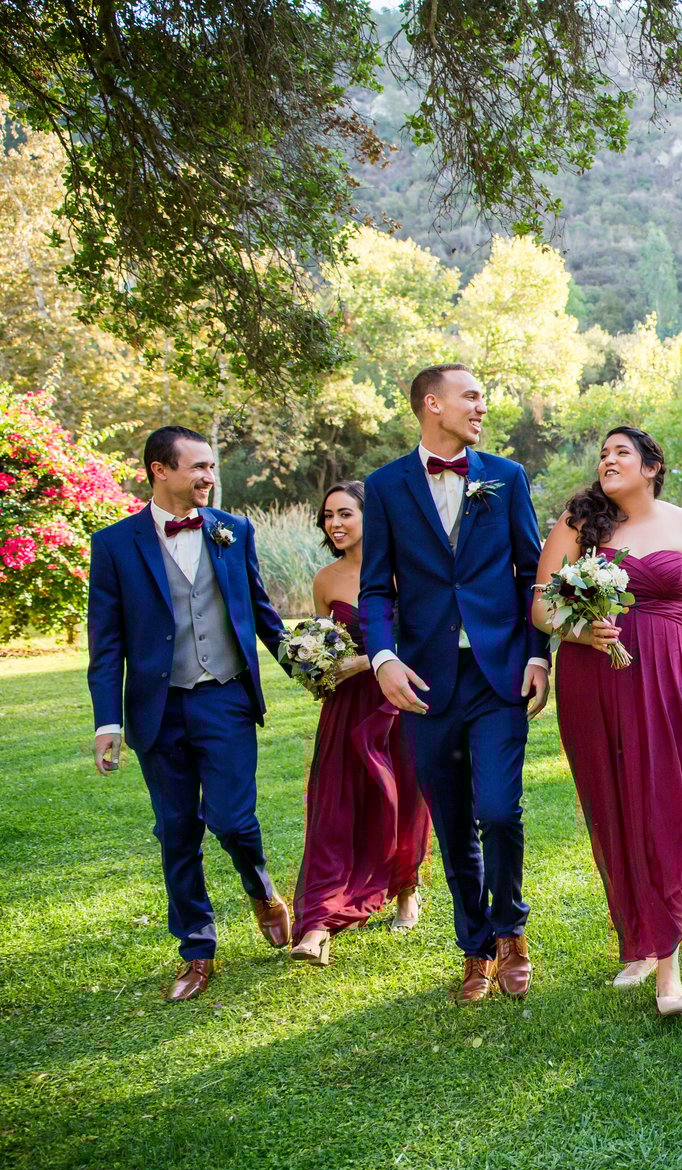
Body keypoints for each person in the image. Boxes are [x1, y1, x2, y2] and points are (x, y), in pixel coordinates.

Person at [361, 364, 550, 1005]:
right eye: (471, 396)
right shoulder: (384, 487)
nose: (481, 407)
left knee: (497, 809)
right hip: (424, 680)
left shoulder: (506, 476)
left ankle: (511, 931)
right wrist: (383, 658)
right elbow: (374, 588)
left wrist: (538, 657)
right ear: (432, 404)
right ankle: (475, 948)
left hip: (498, 672)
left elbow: (531, 574)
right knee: (450, 821)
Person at [535, 426, 682, 1015]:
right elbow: (542, 604)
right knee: (614, 802)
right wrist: (580, 630)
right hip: (596, 676)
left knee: (665, 802)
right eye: (602, 453)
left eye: (621, 452)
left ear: (652, 467)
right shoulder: (579, 522)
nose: (608, 460)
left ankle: (666, 963)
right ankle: (641, 939)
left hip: (673, 677)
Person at [87, 426, 294, 1001]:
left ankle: (261, 890)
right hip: (157, 708)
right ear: (160, 470)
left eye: (211, 466)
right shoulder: (114, 545)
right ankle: (197, 950)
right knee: (176, 831)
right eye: (198, 467)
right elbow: (105, 643)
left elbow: (260, 613)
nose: (209, 476)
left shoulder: (234, 530)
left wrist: (310, 669)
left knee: (232, 820)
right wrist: (108, 722)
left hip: (225, 697)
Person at [289, 482, 432, 966]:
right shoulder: (325, 579)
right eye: (328, 515)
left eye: (345, 513)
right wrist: (317, 667)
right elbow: (323, 643)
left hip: (399, 699)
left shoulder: (406, 570)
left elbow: (425, 637)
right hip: (345, 708)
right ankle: (316, 923)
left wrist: (366, 661)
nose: (335, 523)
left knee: (402, 799)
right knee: (333, 809)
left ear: (372, 517)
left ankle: (406, 888)